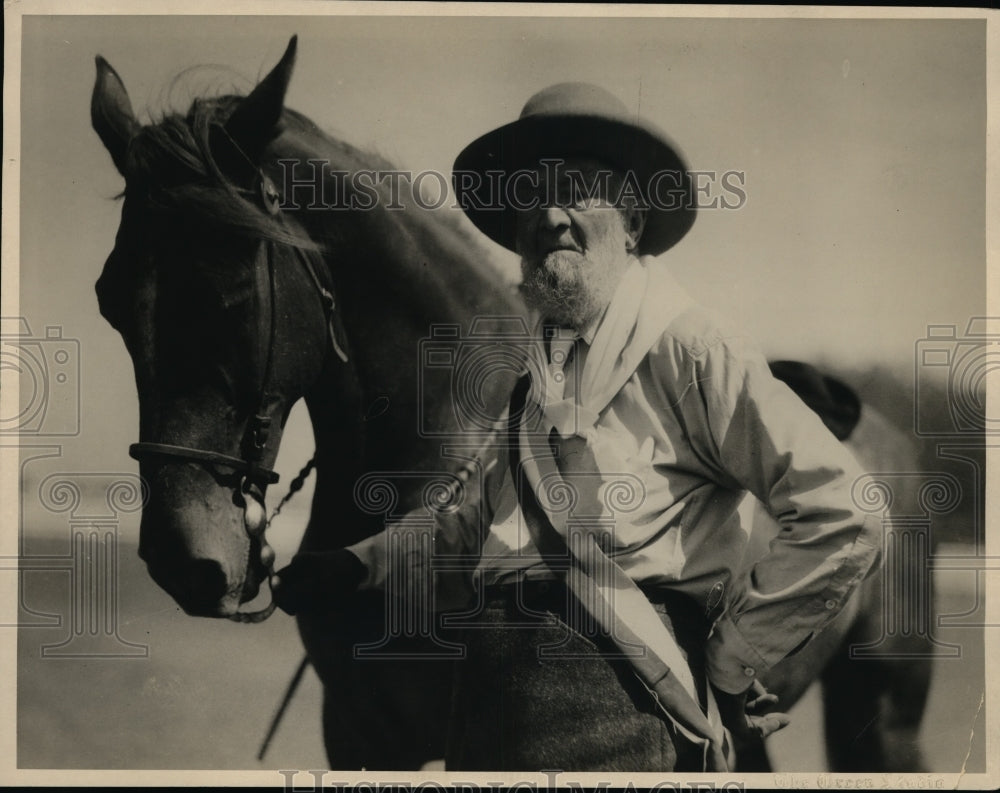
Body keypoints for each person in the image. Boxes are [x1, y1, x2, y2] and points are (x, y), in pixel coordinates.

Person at [272, 82, 883, 772]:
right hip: (492, 717)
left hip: (626, 724)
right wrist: (353, 563)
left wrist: (732, 657)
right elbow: (466, 526)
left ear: (632, 220)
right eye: (531, 193)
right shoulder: (538, 380)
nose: (552, 212)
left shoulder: (690, 348)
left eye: (580, 188)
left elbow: (847, 509)